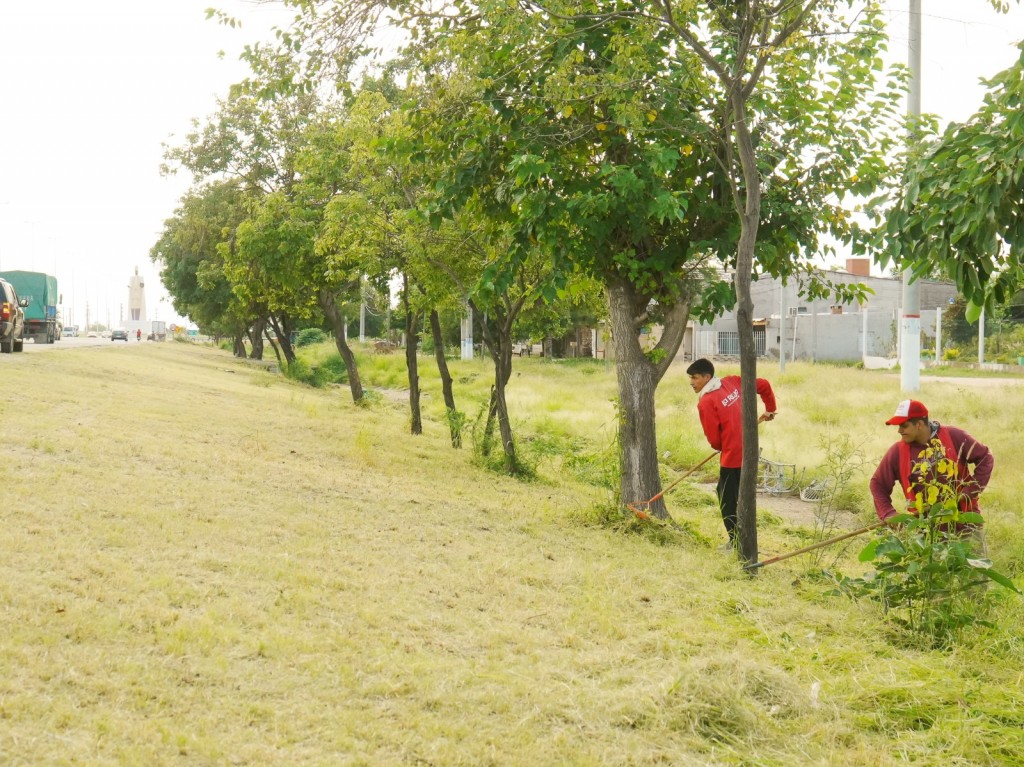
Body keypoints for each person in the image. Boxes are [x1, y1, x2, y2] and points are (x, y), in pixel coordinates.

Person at [869, 399, 993, 550]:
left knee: (975, 572)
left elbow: (985, 458)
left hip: (966, 522)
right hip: (926, 531)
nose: (899, 430)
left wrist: (968, 493)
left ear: (919, 424)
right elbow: (878, 483)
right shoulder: (898, 452)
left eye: (904, 425)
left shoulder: (954, 436)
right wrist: (888, 513)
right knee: (931, 573)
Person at [686, 358, 777, 549]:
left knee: (727, 498)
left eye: (695, 378)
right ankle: (744, 539)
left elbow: (713, 439)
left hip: (732, 458)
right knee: (741, 496)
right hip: (750, 452)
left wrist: (723, 445)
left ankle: (736, 542)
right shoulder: (732, 382)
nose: (692, 382)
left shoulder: (706, 402)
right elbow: (764, 385)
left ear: (707, 377)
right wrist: (770, 409)